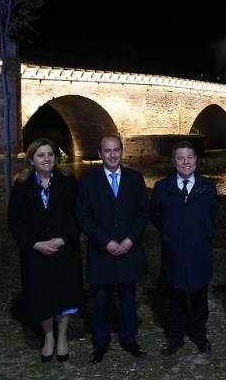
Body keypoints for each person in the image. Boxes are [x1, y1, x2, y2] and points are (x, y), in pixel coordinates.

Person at [8, 138, 83, 363]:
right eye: (41, 155)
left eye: (50, 154)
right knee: (41, 297)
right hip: (35, 253)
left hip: (64, 250)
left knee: (64, 296)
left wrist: (62, 240)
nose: (47, 159)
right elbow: (15, 221)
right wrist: (35, 244)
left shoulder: (68, 181)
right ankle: (48, 337)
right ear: (31, 159)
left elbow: (78, 215)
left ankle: (62, 337)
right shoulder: (21, 185)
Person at [76, 135, 149, 363]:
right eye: (107, 151)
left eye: (116, 150)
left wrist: (130, 240)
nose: (112, 155)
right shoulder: (88, 181)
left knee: (128, 297)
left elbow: (142, 213)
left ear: (121, 151)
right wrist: (105, 241)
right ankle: (100, 342)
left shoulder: (135, 178)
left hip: (129, 249)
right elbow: (83, 216)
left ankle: (129, 339)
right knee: (100, 300)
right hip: (102, 251)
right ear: (100, 153)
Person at [151, 141, 218, 356]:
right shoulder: (162, 188)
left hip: (199, 251)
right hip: (174, 253)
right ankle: (175, 338)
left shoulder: (207, 187)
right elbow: (156, 216)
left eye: (189, 157)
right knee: (175, 299)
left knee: (199, 298)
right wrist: (173, 234)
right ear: (173, 161)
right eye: (180, 158)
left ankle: (199, 335)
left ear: (196, 160)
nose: (185, 162)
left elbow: (212, 214)